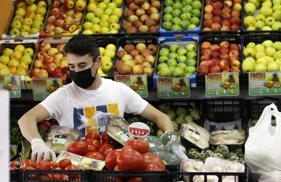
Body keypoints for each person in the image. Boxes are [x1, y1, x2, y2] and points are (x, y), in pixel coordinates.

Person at [18, 35, 174, 161]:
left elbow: (160, 116)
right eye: (72, 67)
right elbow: (26, 119)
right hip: (77, 171)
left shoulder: (118, 90)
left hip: (115, 164)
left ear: (98, 62)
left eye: (82, 65)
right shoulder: (63, 95)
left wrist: (171, 141)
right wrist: (37, 142)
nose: (77, 72)